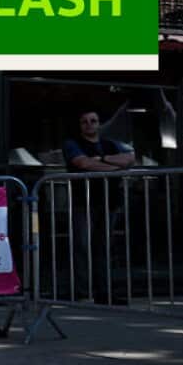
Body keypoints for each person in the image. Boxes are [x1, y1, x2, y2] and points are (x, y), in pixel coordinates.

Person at [62, 109, 134, 302]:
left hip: (108, 202)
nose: (89, 124)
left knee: (103, 248)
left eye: (93, 120)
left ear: (99, 124)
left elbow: (130, 158)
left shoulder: (110, 144)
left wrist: (102, 159)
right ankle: (81, 291)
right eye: (84, 121)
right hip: (83, 203)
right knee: (82, 246)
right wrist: (115, 168)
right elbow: (83, 163)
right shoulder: (72, 144)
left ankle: (104, 292)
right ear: (79, 125)